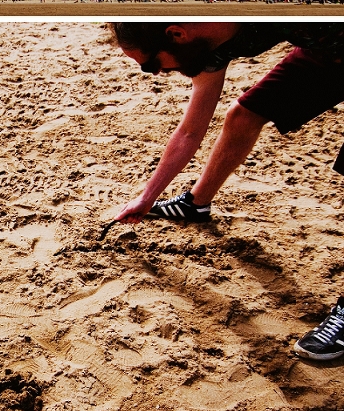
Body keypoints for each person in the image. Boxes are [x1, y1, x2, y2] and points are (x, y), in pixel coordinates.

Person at [110, 20, 344, 358]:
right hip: (326, 52)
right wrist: (147, 197)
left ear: (176, 34)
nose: (156, 74)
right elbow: (191, 131)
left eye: (151, 64)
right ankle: (195, 203)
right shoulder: (206, 47)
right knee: (244, 115)